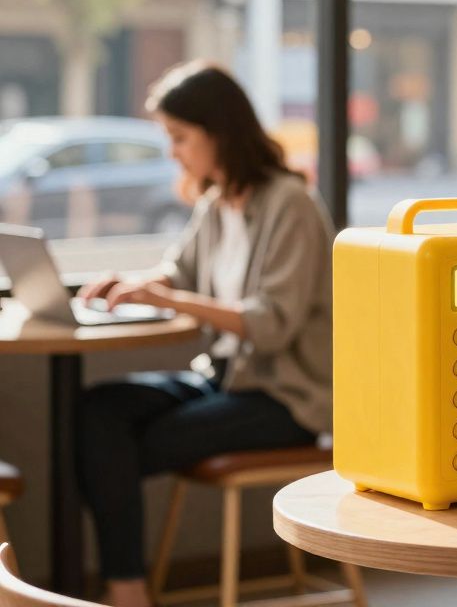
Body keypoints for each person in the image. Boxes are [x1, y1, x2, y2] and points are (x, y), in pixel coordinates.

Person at [74, 61, 335, 607]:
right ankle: (130, 588)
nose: (172, 151)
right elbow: (181, 271)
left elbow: (270, 323)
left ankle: (125, 592)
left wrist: (165, 297)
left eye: (179, 137)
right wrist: (136, 283)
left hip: (287, 398)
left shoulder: (291, 204)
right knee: (98, 413)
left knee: (113, 449)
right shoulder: (218, 204)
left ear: (218, 132)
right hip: (222, 378)